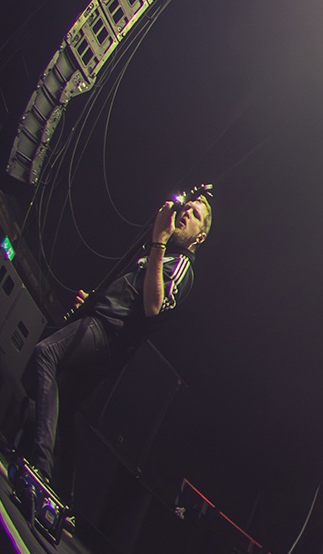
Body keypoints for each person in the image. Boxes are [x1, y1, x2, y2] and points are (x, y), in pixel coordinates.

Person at [19, 191, 210, 507]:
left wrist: (159, 242)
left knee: (45, 354)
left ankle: (39, 469)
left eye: (196, 214)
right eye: (187, 207)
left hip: (108, 334)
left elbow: (153, 306)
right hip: (100, 322)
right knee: (65, 410)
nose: (187, 211)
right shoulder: (158, 254)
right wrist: (94, 301)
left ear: (199, 238)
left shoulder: (179, 265)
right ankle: (64, 501)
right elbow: (129, 294)